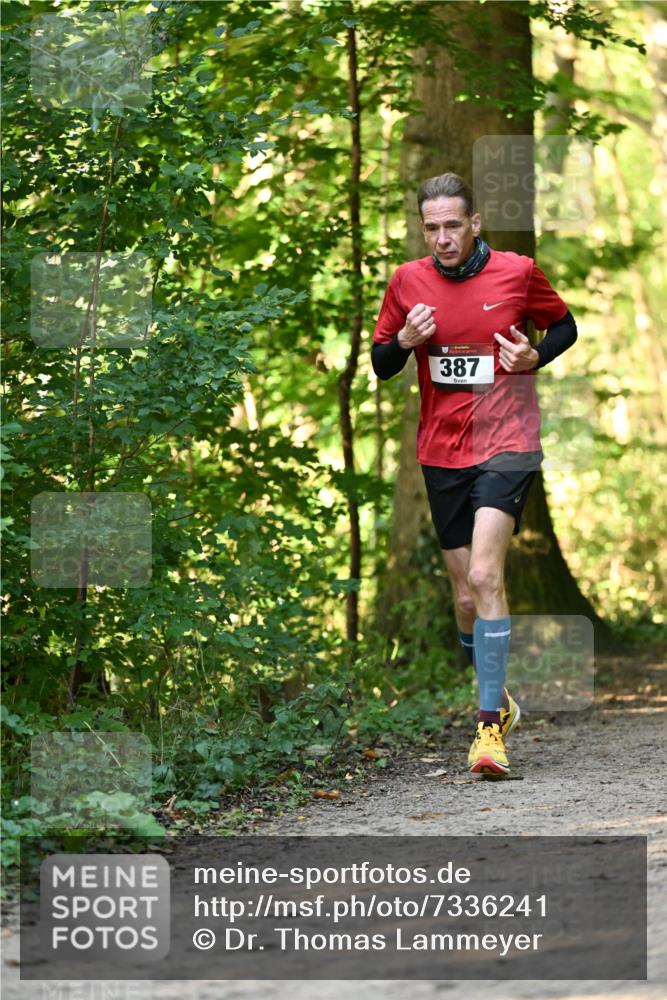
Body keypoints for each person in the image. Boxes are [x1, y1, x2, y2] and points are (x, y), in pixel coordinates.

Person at [372, 172, 577, 777]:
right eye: (430, 228)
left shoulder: (516, 272)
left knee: (487, 573)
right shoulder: (407, 282)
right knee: (464, 596)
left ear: (475, 223)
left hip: (507, 442)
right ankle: (498, 696)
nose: (441, 238)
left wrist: (535, 355)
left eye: (452, 225)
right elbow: (383, 363)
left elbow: (564, 325)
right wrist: (405, 341)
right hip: (442, 451)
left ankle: (488, 732)